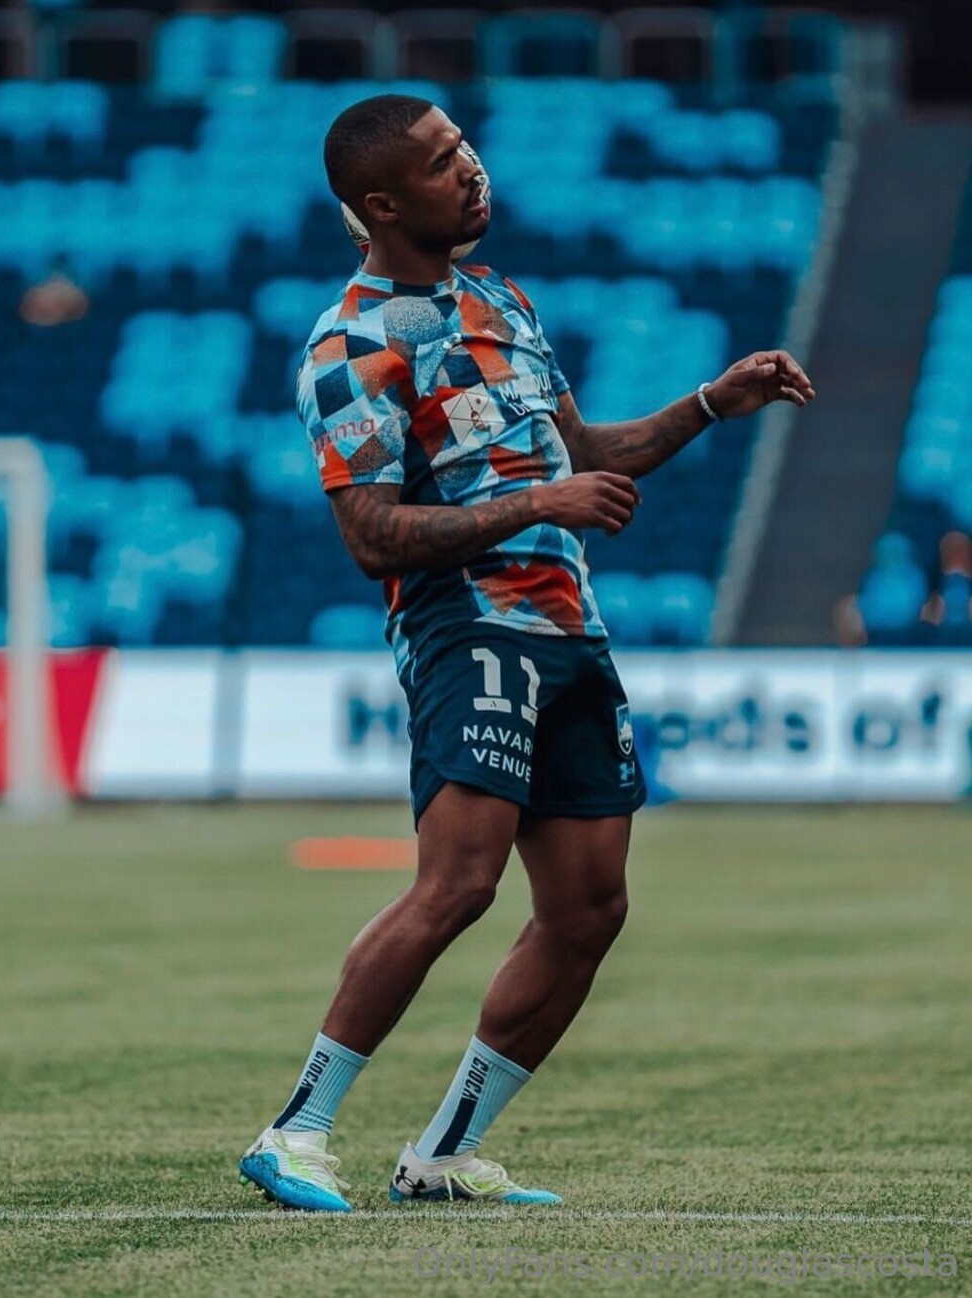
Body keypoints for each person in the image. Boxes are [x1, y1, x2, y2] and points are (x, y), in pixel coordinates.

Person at [237, 94, 816, 1212]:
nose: (473, 169)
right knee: (459, 884)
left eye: (466, 146)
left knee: (591, 908)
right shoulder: (351, 343)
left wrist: (711, 402)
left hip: (569, 631)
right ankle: (295, 1130)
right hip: (468, 626)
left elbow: (586, 450)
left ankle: (442, 1154)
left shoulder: (502, 298)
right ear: (381, 203)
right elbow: (371, 535)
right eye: (441, 162)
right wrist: (539, 502)